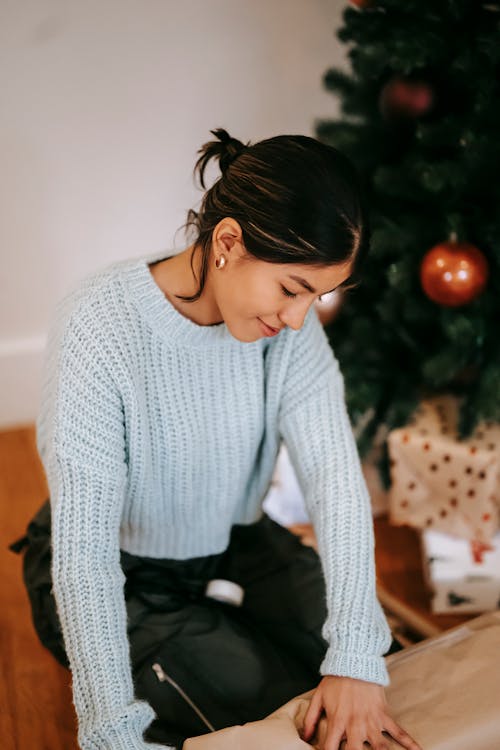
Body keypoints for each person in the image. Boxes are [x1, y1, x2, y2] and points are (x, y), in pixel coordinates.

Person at [9, 128, 422, 750]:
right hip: (122, 568)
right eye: (291, 288)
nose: (297, 319)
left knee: (377, 668)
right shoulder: (98, 325)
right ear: (228, 241)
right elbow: (85, 553)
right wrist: (110, 728)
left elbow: (336, 482)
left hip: (234, 541)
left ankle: (231, 627)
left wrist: (357, 658)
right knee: (279, 709)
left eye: (318, 296)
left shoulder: (289, 335)